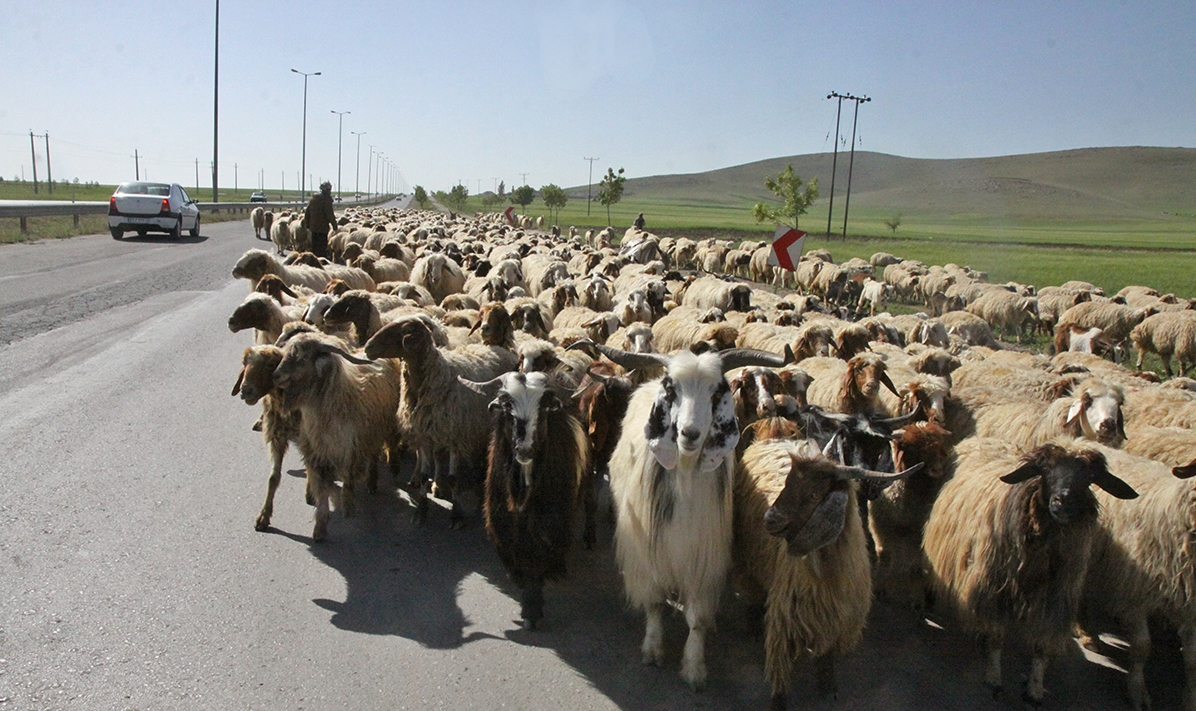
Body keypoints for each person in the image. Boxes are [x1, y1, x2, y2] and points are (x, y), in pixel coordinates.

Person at [303, 181, 337, 259]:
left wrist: (307, 224)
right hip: (322, 228)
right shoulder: (326, 200)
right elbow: (329, 214)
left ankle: (314, 262)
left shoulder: (313, 198)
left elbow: (307, 212)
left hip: (313, 227)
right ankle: (321, 263)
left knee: (314, 246)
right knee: (321, 248)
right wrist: (334, 225)